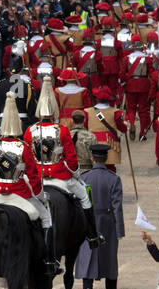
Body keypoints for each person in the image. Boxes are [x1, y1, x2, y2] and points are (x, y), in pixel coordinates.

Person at [0, 96, 60, 275]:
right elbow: (33, 177)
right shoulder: (23, 147)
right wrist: (41, 196)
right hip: (20, 193)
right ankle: (49, 260)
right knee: (46, 219)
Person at [24, 75, 103, 248]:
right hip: (60, 176)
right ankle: (92, 235)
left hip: (36, 176)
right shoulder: (62, 130)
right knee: (84, 197)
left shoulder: (30, 131)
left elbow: (28, 158)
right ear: (53, 112)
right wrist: (75, 174)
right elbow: (72, 159)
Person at [76, 142, 123, 289]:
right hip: (107, 221)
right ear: (106, 158)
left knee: (87, 255)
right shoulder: (113, 178)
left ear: (92, 158)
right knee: (109, 257)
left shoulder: (83, 177)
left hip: (86, 222)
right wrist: (119, 230)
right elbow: (117, 207)